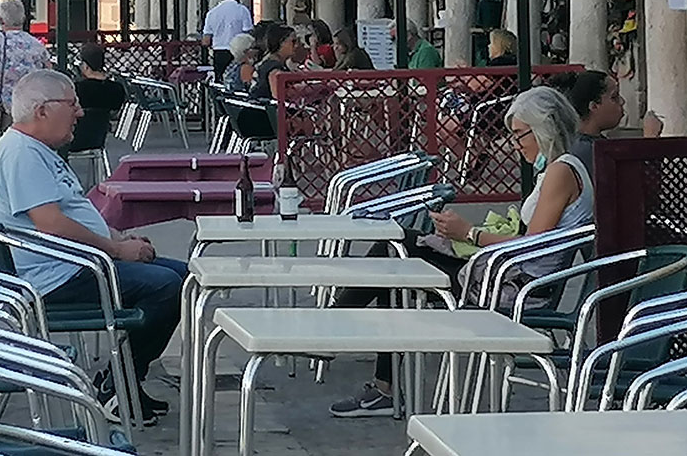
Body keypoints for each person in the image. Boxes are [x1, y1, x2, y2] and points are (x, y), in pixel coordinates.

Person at [329, 86, 592, 418]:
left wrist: (468, 232)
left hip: (517, 287)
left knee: (396, 252)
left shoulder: (560, 172)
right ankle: (362, 360)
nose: (515, 144)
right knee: (396, 252)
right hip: (509, 275)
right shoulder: (562, 168)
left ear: (544, 128)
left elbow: (532, 244)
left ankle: (338, 333)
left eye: (519, 135)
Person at [0, 69, 187, 424]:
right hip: (56, 277)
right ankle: (117, 388)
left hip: (72, 265)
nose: (79, 112)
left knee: (181, 276)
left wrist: (119, 240)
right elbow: (51, 223)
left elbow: (69, 212)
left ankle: (123, 382)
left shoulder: (35, 149)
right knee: (168, 286)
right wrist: (115, 250)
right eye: (72, 103)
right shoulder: (22, 154)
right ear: (42, 110)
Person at [550, 70, 663, 175]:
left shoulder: (581, 143)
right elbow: (638, 186)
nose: (622, 101)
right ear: (594, 106)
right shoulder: (588, 151)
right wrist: (651, 139)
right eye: (614, 97)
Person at [0, 0, 51, 132]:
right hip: (31, 108)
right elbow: (49, 72)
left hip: (5, 110)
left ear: (0, 19)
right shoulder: (35, 44)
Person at [202, 0, 254, 81]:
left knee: (220, 83)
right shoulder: (242, 10)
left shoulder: (212, 13)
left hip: (219, 53)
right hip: (239, 53)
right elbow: (248, 34)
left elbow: (206, 40)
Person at [250, 23, 296, 100]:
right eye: (293, 41)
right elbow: (278, 95)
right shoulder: (274, 67)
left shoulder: (266, 62)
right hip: (268, 110)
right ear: (281, 43)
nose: (297, 45)